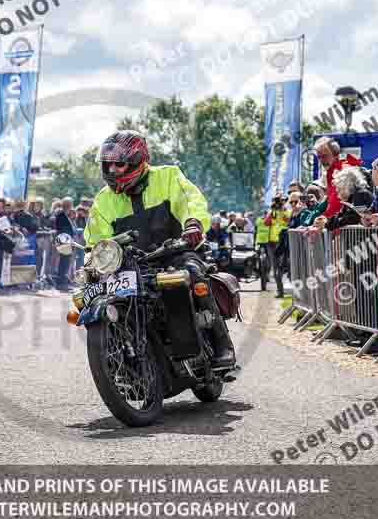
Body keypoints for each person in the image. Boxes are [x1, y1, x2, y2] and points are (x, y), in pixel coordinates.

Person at [83, 130, 234, 367]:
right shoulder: (103, 200)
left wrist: (192, 223)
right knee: (95, 293)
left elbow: (191, 201)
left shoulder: (168, 176)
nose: (112, 171)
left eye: (119, 164)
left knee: (192, 273)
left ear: (137, 161)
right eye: (107, 165)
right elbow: (96, 239)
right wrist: (91, 257)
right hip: (132, 265)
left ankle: (221, 345)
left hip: (176, 252)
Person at [313, 136, 363, 219]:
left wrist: (322, 220)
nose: (321, 160)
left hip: (345, 225)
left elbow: (337, 204)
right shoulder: (329, 173)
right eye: (319, 157)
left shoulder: (344, 170)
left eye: (325, 156)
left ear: (336, 154)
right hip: (336, 223)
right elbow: (330, 203)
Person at [314, 166, 374, 231]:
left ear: (345, 184)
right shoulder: (352, 196)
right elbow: (343, 215)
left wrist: (327, 223)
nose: (337, 190)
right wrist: (326, 220)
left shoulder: (360, 194)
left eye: (339, 186)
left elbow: (352, 217)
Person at [263, 194, 291, 298]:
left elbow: (288, 220)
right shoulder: (273, 212)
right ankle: (280, 291)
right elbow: (266, 222)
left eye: (282, 201)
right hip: (272, 242)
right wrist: (271, 213)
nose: (280, 203)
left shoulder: (286, 211)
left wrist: (283, 212)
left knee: (284, 265)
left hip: (283, 242)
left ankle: (290, 289)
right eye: (278, 201)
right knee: (275, 268)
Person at [53, 196, 75, 291]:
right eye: (69, 204)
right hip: (64, 241)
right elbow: (62, 229)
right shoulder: (61, 215)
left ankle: (63, 282)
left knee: (65, 262)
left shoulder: (65, 215)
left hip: (66, 241)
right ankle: (61, 283)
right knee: (64, 262)